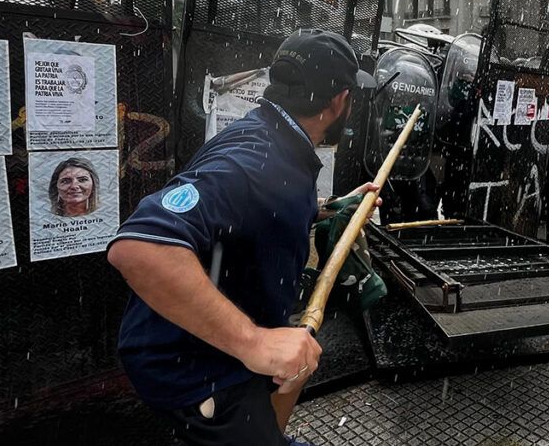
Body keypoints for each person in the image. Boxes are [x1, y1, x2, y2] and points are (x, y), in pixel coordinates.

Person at [107, 29, 379, 446]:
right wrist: (254, 342)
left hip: (214, 352)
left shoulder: (279, 138)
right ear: (340, 101)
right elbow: (140, 248)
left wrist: (333, 206)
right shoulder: (254, 159)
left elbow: (260, 210)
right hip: (199, 370)